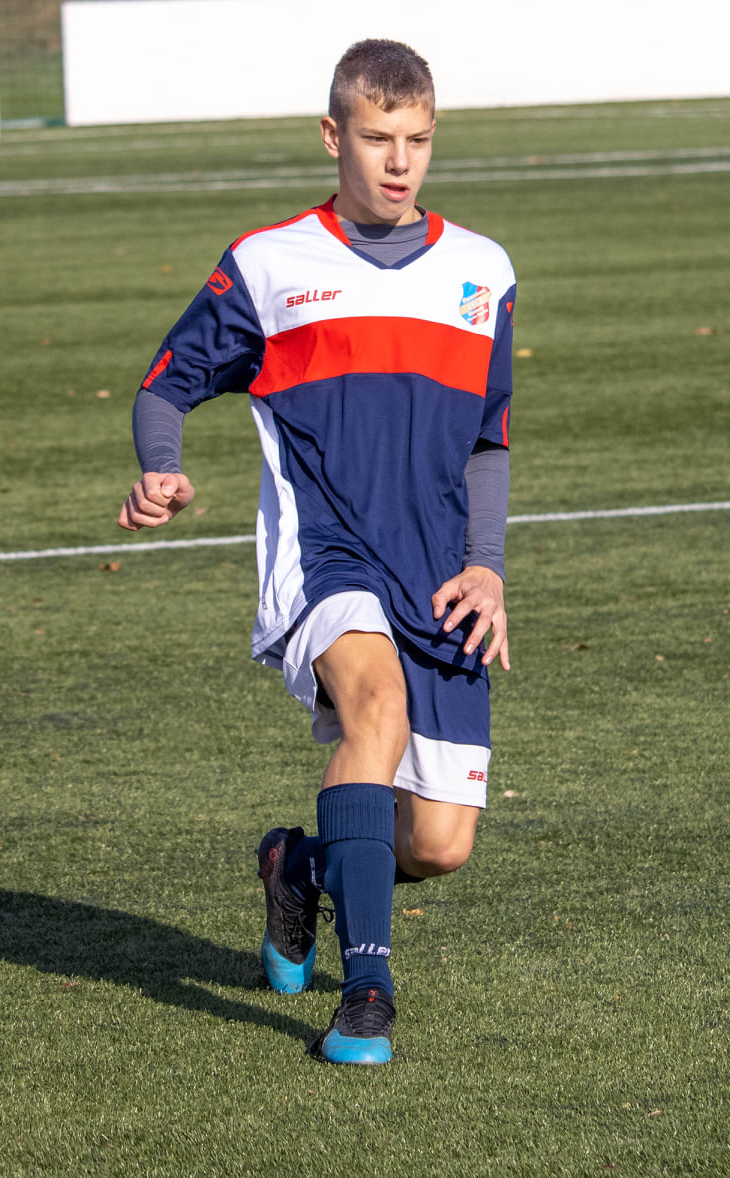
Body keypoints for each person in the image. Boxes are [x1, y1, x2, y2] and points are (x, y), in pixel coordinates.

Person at [116, 39, 516, 1067]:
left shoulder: (483, 271)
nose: (399, 161)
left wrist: (487, 565)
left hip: (439, 573)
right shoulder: (269, 264)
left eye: (416, 140)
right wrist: (161, 467)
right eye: (378, 138)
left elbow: (488, 438)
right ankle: (367, 994)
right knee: (374, 709)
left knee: (439, 843)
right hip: (324, 552)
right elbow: (165, 383)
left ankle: (298, 864)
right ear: (333, 136)